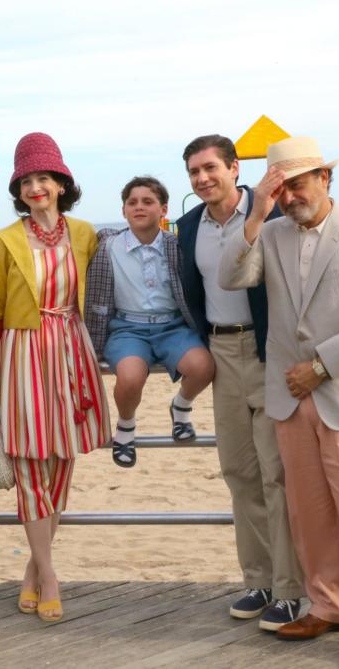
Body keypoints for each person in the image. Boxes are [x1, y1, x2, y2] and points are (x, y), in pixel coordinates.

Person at [220, 136, 339, 669]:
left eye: (298, 183)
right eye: (280, 187)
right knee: (310, 516)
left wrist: (320, 367)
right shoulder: (270, 232)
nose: (291, 195)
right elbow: (234, 277)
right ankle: (330, 605)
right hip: (289, 400)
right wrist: (256, 212)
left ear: (324, 179)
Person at [176, 134, 306, 630]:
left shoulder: (275, 211)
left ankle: (292, 591)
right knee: (239, 472)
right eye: (193, 172)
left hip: (270, 350)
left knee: (276, 474)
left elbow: (321, 226)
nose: (203, 178)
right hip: (219, 352)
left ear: (234, 168)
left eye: (210, 168)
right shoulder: (188, 227)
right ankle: (260, 581)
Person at [0, 132, 111, 623]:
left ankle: (32, 572)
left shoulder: (85, 234)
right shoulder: (4, 240)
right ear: (18, 189)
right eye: (26, 180)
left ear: (62, 183)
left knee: (61, 458)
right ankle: (51, 573)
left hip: (71, 348)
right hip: (23, 350)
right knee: (28, 464)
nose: (36, 187)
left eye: (44, 178)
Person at [84, 176, 214, 468]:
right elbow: (96, 296)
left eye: (148, 202)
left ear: (164, 209)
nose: (139, 207)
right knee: (130, 377)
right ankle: (126, 426)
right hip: (128, 328)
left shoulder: (178, 245)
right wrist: (93, 344)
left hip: (173, 326)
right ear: (123, 211)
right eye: (132, 202)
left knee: (203, 367)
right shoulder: (107, 247)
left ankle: (181, 407)